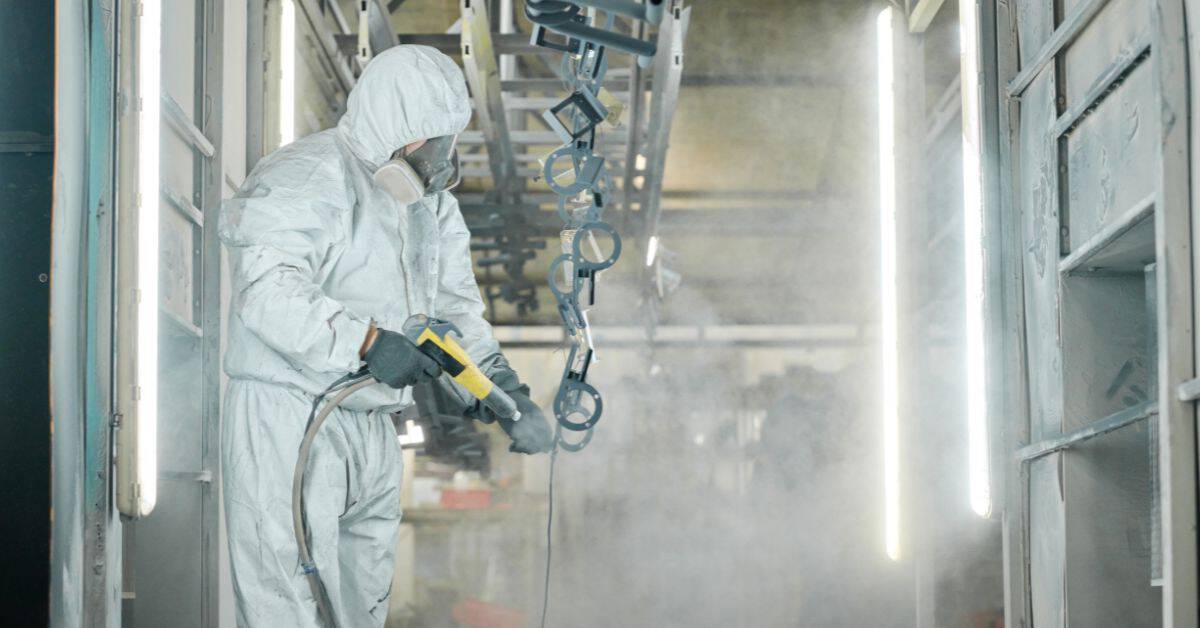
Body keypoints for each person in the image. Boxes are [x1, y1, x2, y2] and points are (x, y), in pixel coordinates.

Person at [219, 45, 554, 627]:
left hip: (373, 423)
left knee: (362, 607)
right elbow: (267, 290)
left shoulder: (430, 209)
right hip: (292, 416)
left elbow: (454, 311)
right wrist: (367, 342)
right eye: (437, 143)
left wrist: (503, 390)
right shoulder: (310, 174)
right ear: (403, 137)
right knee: (290, 606)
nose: (444, 160)